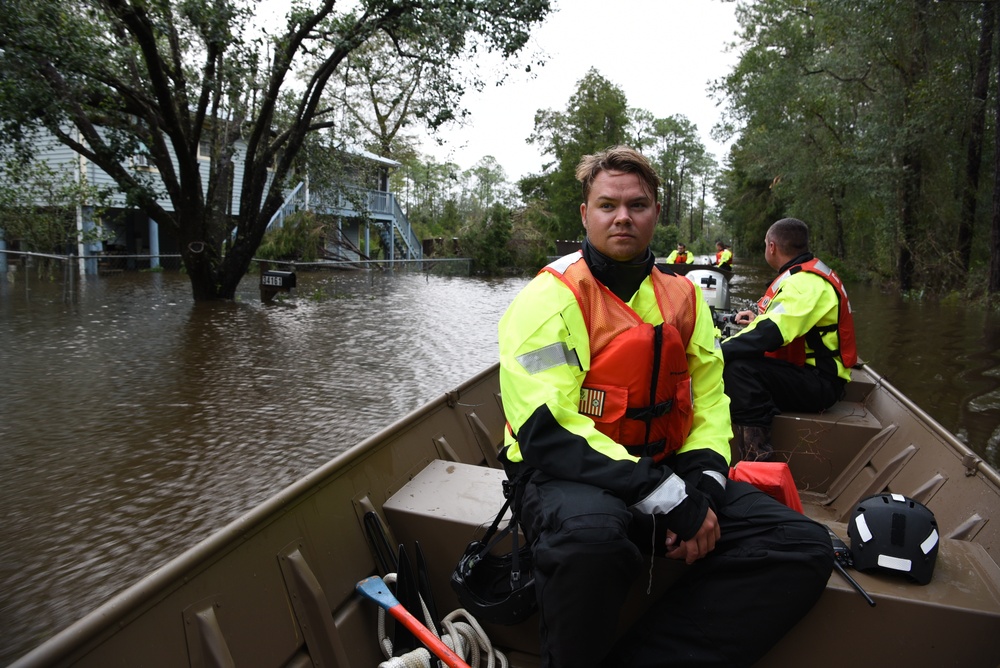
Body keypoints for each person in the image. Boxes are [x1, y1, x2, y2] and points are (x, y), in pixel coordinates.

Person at [496, 147, 833, 668]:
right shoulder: (551, 298)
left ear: (657, 213)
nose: (623, 216)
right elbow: (544, 428)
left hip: (665, 469)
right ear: (585, 214)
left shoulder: (683, 298)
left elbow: (709, 398)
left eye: (638, 204)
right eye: (607, 205)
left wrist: (703, 480)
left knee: (799, 544)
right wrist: (662, 493)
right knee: (591, 542)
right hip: (562, 474)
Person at [722, 217, 856, 461]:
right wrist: (755, 319)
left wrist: (718, 351)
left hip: (822, 384)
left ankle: (757, 459)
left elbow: (772, 332)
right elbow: (783, 320)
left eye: (765, 245)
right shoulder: (806, 275)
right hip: (810, 373)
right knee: (741, 357)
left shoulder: (806, 283)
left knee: (738, 370)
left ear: (771, 247)